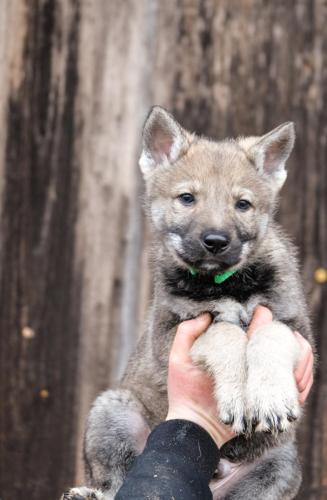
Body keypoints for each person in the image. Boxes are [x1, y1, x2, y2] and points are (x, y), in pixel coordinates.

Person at [115, 306, 314, 499]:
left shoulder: (278, 283)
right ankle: (109, 491)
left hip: (248, 466)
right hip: (153, 443)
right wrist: (197, 419)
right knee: (115, 412)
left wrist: (277, 350)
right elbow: (167, 342)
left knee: (282, 462)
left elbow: (297, 335)